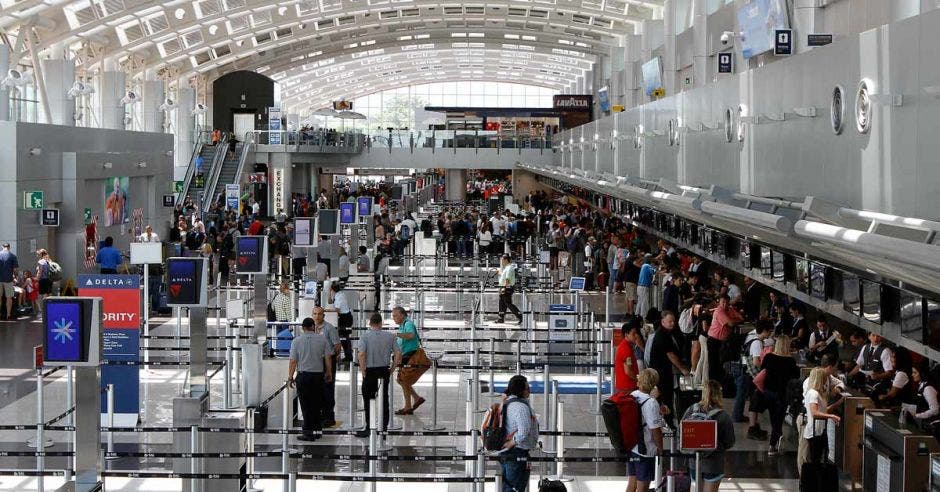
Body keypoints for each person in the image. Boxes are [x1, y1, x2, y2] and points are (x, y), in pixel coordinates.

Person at [682, 380, 736, 492]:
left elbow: (682, 431)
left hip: (694, 461)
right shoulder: (723, 415)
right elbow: (730, 441)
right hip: (714, 463)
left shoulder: (692, 409)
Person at [287, 317, 333, 442]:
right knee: (317, 403)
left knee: (306, 404)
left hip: (303, 376)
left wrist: (290, 377)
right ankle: (317, 431)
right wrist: (328, 372)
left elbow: (293, 361)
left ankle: (308, 432)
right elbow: (328, 357)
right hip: (318, 376)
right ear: (313, 326)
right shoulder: (322, 339)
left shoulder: (296, 341)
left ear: (303, 328)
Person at [356, 312, 402, 438]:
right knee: (384, 400)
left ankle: (369, 427)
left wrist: (363, 369)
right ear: (381, 323)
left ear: (370, 324)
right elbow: (398, 353)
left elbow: (361, 354)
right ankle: (383, 429)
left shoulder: (364, 337)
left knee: (368, 400)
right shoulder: (390, 336)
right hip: (384, 371)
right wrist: (392, 368)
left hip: (370, 371)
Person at [646, 311, 690, 424]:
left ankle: (665, 421)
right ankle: (668, 423)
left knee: (664, 397)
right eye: (669, 321)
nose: (672, 323)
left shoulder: (669, 333)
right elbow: (670, 355)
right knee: (665, 398)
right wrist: (683, 369)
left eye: (673, 321)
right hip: (660, 373)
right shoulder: (662, 335)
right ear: (663, 321)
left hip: (665, 371)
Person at [498, 375, 539, 492]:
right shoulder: (520, 407)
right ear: (520, 390)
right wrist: (512, 442)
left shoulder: (507, 401)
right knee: (515, 487)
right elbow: (524, 431)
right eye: (527, 388)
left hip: (506, 451)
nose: (529, 390)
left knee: (508, 485)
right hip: (517, 451)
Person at [760, 335, 799, 454]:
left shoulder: (768, 357)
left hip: (768, 391)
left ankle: (776, 437)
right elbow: (796, 376)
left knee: (773, 416)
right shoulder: (791, 361)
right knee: (779, 418)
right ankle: (773, 444)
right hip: (782, 393)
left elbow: (762, 369)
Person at [628, 368, 665, 492]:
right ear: (654, 383)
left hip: (632, 446)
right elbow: (655, 431)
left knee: (632, 484)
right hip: (646, 450)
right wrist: (660, 448)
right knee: (643, 486)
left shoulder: (632, 395)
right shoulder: (651, 403)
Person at [803, 367, 841, 463]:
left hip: (820, 430)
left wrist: (838, 403)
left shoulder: (818, 393)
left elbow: (823, 410)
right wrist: (832, 416)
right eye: (824, 377)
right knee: (815, 459)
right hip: (814, 431)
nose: (826, 380)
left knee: (821, 457)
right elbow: (814, 413)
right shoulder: (813, 394)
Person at [313, 306, 342, 427]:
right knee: (318, 390)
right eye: (315, 314)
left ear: (323, 316)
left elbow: (337, 345)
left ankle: (329, 417)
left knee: (328, 389)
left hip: (328, 362)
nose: (317, 316)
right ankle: (320, 416)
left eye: (319, 314)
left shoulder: (329, 328)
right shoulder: (311, 328)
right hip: (316, 362)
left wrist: (332, 356)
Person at [392, 306, 425, 414]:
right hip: (405, 356)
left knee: (403, 380)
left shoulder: (408, 324)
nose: (393, 318)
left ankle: (408, 406)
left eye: (395, 316)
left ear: (402, 315)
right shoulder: (402, 326)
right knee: (401, 380)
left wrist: (397, 334)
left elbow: (411, 335)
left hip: (411, 356)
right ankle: (415, 399)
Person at [706, 294, 743, 381]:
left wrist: (733, 320)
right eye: (723, 302)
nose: (724, 304)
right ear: (719, 302)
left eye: (726, 302)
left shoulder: (730, 309)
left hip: (722, 341)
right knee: (713, 364)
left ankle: (719, 384)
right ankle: (712, 385)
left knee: (720, 363)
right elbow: (731, 324)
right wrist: (733, 320)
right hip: (714, 340)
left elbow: (741, 318)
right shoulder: (719, 311)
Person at [614, 316, 642, 393]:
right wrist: (639, 379)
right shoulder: (626, 349)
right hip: (628, 386)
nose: (636, 336)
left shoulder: (626, 346)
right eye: (633, 334)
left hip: (626, 385)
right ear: (626, 335)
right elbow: (628, 371)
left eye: (636, 333)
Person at [329, 282, 353, 363]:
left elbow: (337, 310)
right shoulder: (337, 294)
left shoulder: (340, 296)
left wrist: (326, 311)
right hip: (343, 317)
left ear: (333, 289)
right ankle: (348, 355)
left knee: (344, 338)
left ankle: (349, 356)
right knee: (343, 337)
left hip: (346, 318)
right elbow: (330, 302)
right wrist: (330, 292)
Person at [496, 254, 522, 324]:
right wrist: (500, 273)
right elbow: (505, 277)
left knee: (508, 304)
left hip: (507, 288)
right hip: (503, 287)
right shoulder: (507, 268)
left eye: (502, 260)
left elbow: (508, 279)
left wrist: (504, 288)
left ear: (506, 260)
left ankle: (520, 316)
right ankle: (500, 318)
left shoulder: (509, 268)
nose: (501, 262)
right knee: (502, 303)